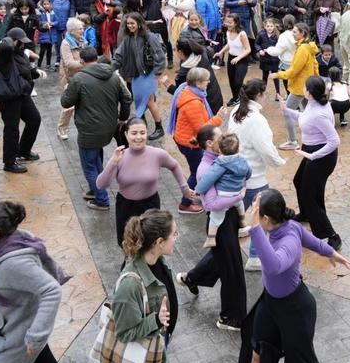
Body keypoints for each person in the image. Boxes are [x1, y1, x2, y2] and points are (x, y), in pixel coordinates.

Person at [238, 189, 350, 363]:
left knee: (298, 361)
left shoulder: (288, 239)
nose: (251, 216)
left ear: (266, 219)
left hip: (295, 310)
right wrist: (330, 252)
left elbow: (273, 266)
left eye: (254, 213)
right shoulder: (286, 226)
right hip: (270, 303)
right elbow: (310, 240)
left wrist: (255, 230)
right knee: (258, 351)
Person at [0, 201, 68, 363]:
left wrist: (36, 336)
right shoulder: (6, 244)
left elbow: (51, 290)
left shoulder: (12, 264)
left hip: (17, 340)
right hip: (20, 329)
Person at [177, 125, 248, 332]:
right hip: (221, 221)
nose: (225, 138)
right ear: (210, 143)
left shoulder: (223, 159)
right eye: (220, 136)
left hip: (229, 219)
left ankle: (191, 278)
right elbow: (211, 204)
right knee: (232, 272)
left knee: (223, 260)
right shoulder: (205, 170)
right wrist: (238, 197)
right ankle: (230, 318)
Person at [97, 118, 192, 246]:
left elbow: (174, 165)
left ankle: (153, 265)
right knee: (128, 244)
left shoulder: (157, 154)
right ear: (126, 134)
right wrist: (113, 162)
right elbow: (101, 185)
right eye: (134, 133)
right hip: (126, 207)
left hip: (150, 206)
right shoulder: (120, 157)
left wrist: (184, 188)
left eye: (142, 133)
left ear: (147, 133)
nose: (138, 137)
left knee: (152, 244)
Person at [61, 47, 134, 211]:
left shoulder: (79, 79)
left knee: (89, 165)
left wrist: (67, 89)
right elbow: (127, 98)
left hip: (89, 130)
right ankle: (97, 188)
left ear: (82, 61)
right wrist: (122, 118)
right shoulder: (113, 76)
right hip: (109, 127)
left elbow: (66, 103)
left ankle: (101, 199)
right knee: (96, 158)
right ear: (97, 58)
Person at [228, 79, 287, 271]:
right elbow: (266, 149)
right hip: (255, 179)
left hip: (237, 174)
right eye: (265, 93)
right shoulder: (257, 119)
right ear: (259, 95)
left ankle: (228, 240)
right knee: (262, 219)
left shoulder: (236, 111)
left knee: (234, 215)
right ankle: (254, 257)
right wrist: (280, 162)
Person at [279, 76, 342, 250]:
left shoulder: (319, 113)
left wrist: (313, 156)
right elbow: (304, 117)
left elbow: (334, 141)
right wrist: (286, 109)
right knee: (299, 181)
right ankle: (307, 214)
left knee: (310, 193)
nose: (303, 89)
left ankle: (332, 235)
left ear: (309, 92)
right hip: (311, 150)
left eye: (305, 87)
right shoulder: (314, 105)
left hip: (322, 156)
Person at [112, 211, 178, 355]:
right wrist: (156, 320)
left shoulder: (159, 261)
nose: (176, 238)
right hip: (145, 350)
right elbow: (124, 333)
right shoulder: (129, 285)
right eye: (174, 234)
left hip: (161, 337)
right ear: (159, 242)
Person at [168, 67, 229, 215]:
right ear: (198, 83)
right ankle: (185, 204)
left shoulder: (189, 91)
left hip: (186, 139)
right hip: (190, 143)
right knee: (196, 173)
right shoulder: (193, 103)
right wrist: (219, 117)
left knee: (197, 170)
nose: (208, 82)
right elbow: (202, 129)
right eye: (206, 80)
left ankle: (199, 193)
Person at [0, 29, 46, 174]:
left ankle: (23, 151)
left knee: (34, 119)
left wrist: (36, 72)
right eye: (21, 41)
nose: (23, 44)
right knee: (12, 129)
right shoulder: (4, 55)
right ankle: (9, 162)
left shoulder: (20, 53)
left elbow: (25, 69)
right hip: (8, 97)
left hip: (22, 94)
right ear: (14, 41)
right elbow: (4, 47)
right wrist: (9, 38)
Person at [113, 12, 168, 140]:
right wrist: (110, 69)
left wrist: (158, 74)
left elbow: (159, 56)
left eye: (132, 23)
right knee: (138, 101)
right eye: (128, 24)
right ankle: (142, 124)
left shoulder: (149, 37)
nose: (130, 26)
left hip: (149, 74)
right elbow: (119, 56)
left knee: (149, 102)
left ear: (139, 23)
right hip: (137, 75)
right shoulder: (128, 38)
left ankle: (159, 128)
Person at [195, 133, 252, 248]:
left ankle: (211, 238)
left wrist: (198, 190)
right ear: (238, 148)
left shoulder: (220, 164)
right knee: (239, 204)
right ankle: (243, 221)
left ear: (220, 150)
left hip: (224, 194)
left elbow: (208, 179)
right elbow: (249, 172)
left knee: (216, 217)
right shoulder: (243, 161)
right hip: (237, 191)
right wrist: (243, 179)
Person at [273, 23, 320, 150]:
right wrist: (316, 79)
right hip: (307, 85)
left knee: (287, 111)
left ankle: (293, 141)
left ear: (302, 33)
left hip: (299, 87)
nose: (292, 34)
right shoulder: (308, 47)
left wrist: (278, 74)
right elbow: (315, 64)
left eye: (294, 32)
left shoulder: (303, 49)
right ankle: (317, 135)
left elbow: (294, 71)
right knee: (309, 112)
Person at [169, 37, 224, 113]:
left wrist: (168, 86)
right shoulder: (200, 55)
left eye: (175, 49)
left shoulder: (187, 73)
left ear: (180, 52)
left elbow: (183, 94)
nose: (174, 52)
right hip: (215, 99)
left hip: (205, 108)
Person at [215, 13, 252, 106]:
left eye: (230, 22)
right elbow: (229, 44)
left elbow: (248, 49)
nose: (227, 24)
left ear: (236, 23)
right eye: (226, 22)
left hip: (241, 59)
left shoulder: (242, 34)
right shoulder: (228, 32)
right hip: (231, 58)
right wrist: (220, 52)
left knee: (238, 81)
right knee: (231, 81)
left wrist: (238, 58)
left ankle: (245, 96)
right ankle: (235, 98)